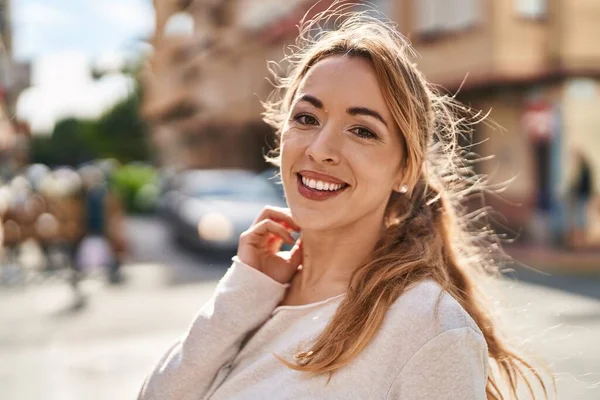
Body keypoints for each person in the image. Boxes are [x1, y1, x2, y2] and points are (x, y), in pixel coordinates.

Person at [139, 8, 551, 400]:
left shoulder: (427, 326)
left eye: (362, 130)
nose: (321, 149)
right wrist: (243, 291)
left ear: (405, 170)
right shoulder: (256, 296)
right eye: (306, 118)